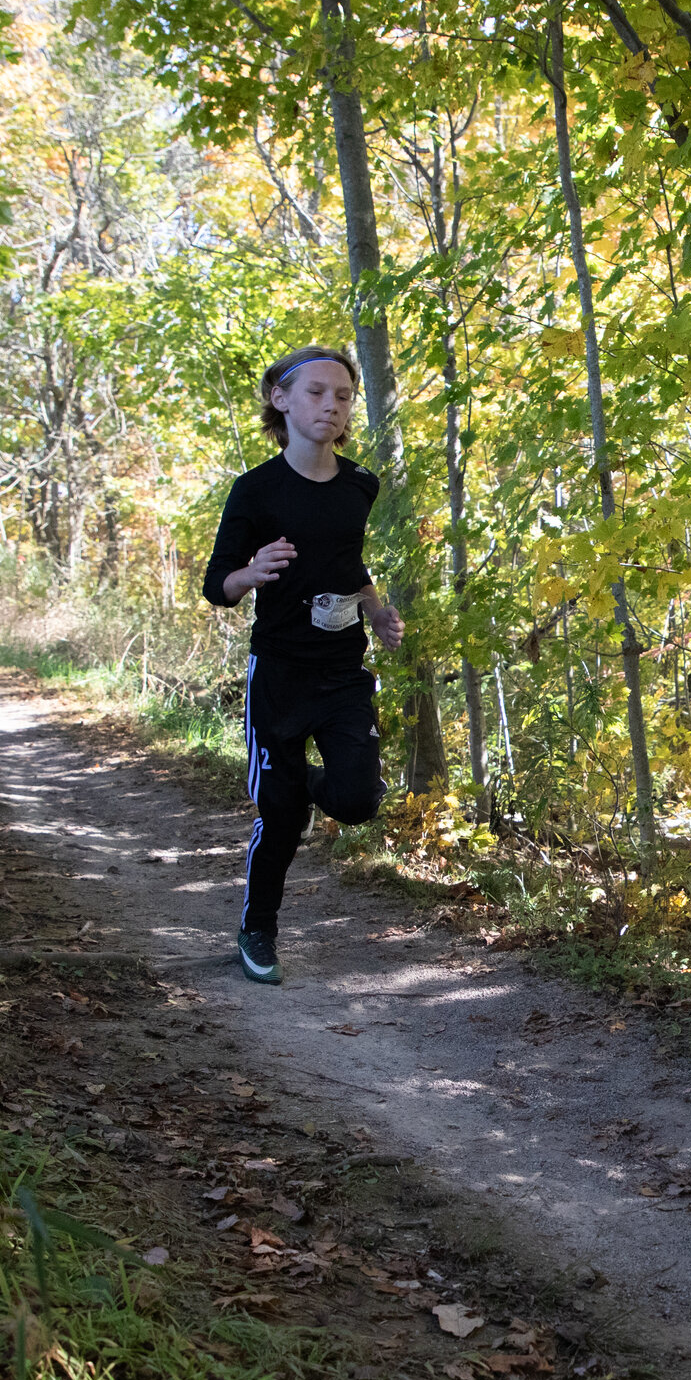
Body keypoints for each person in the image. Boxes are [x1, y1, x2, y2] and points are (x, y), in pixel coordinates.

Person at [203, 346, 403, 984]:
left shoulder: (359, 486)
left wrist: (375, 609)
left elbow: (347, 563)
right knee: (282, 817)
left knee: (358, 800)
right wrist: (251, 573)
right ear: (281, 400)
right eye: (317, 393)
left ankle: (296, 785)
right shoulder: (256, 491)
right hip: (280, 675)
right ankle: (258, 928)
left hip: (344, 672)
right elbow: (217, 585)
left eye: (343, 396)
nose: (332, 406)